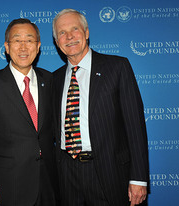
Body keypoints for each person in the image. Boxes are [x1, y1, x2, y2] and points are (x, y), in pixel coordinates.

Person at [52, 9, 149, 206]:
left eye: (75, 29)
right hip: (66, 176)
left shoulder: (117, 67)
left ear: (86, 33)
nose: (69, 36)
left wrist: (138, 178)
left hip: (108, 172)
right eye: (62, 32)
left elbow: (135, 126)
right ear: (56, 41)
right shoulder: (54, 79)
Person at [0, 18, 58, 206]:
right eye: (17, 40)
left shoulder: (50, 80)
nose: (23, 47)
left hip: (49, 182)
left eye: (29, 40)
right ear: (6, 46)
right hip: (10, 184)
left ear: (38, 47)